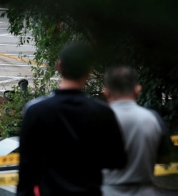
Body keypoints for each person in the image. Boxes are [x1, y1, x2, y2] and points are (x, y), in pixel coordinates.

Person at [16, 42, 127, 196]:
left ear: (59, 65)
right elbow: (118, 160)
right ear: (89, 71)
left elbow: (27, 168)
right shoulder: (102, 112)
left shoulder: (35, 110)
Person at [102, 66, 174, 196]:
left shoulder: (94, 120)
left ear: (106, 92)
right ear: (137, 90)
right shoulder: (153, 119)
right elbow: (166, 159)